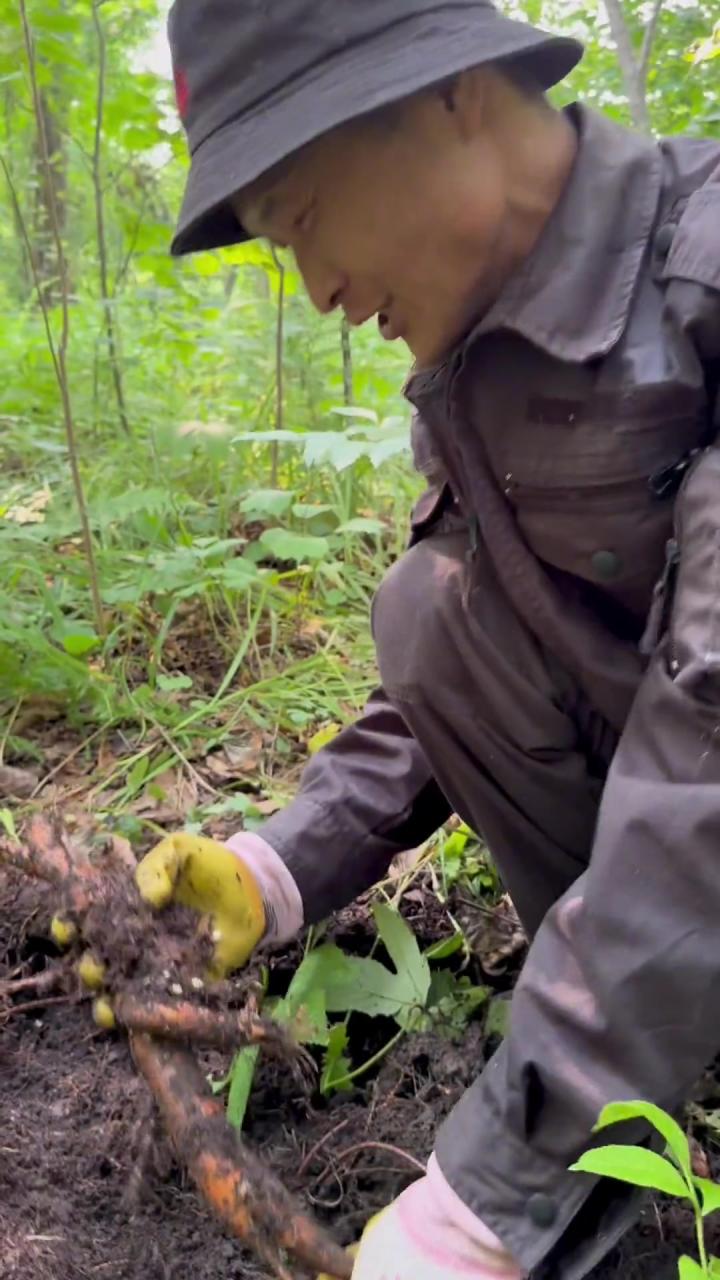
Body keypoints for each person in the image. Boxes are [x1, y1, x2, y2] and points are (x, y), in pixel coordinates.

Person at [141, 2, 720, 1277]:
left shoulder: (705, 270)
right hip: (670, 899)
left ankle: (606, 1068)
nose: (321, 290)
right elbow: (480, 647)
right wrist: (280, 864)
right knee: (424, 605)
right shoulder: (468, 369)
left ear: (452, 91)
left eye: (302, 214)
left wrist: (489, 1197)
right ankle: (649, 1044)